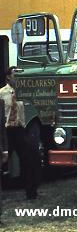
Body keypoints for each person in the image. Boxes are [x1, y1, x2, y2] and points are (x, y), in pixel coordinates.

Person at [0, 67, 39, 200]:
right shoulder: (2, 93)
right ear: (8, 77)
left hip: (20, 130)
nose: (17, 78)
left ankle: (31, 193)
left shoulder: (23, 93)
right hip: (7, 131)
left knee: (28, 160)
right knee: (3, 160)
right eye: (15, 75)